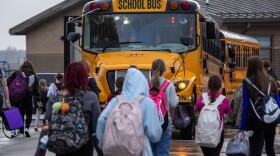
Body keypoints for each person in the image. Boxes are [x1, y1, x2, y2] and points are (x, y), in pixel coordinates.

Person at [96, 68, 163, 155]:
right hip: (140, 151)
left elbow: (101, 120)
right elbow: (155, 135)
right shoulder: (147, 103)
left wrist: (103, 143)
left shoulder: (116, 101)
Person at [43, 62, 101, 156]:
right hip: (84, 150)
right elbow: (96, 132)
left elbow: (45, 129)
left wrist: (39, 152)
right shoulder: (90, 98)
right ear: (85, 76)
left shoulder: (55, 98)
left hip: (61, 149)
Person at [240, 56, 280, 156]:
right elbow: (277, 102)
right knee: (270, 148)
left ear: (250, 66)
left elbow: (245, 105)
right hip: (270, 118)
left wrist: (242, 125)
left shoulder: (247, 82)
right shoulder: (271, 80)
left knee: (255, 150)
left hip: (254, 120)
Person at [195, 75, 231, 156]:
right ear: (220, 85)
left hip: (203, 133)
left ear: (209, 85)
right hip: (217, 133)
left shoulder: (202, 97)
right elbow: (227, 114)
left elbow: (197, 111)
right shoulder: (224, 99)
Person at [149, 59, 179, 156]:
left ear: (152, 69)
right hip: (165, 122)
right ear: (164, 70)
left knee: (150, 151)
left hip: (148, 121)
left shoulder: (146, 83)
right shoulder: (168, 85)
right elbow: (173, 104)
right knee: (162, 151)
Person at [7, 60, 41, 137]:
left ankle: (21, 132)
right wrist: (38, 98)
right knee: (29, 113)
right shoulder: (34, 75)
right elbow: (36, 89)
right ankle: (27, 129)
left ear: (22, 66)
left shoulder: (17, 73)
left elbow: (8, 82)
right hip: (29, 96)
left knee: (20, 113)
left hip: (18, 96)